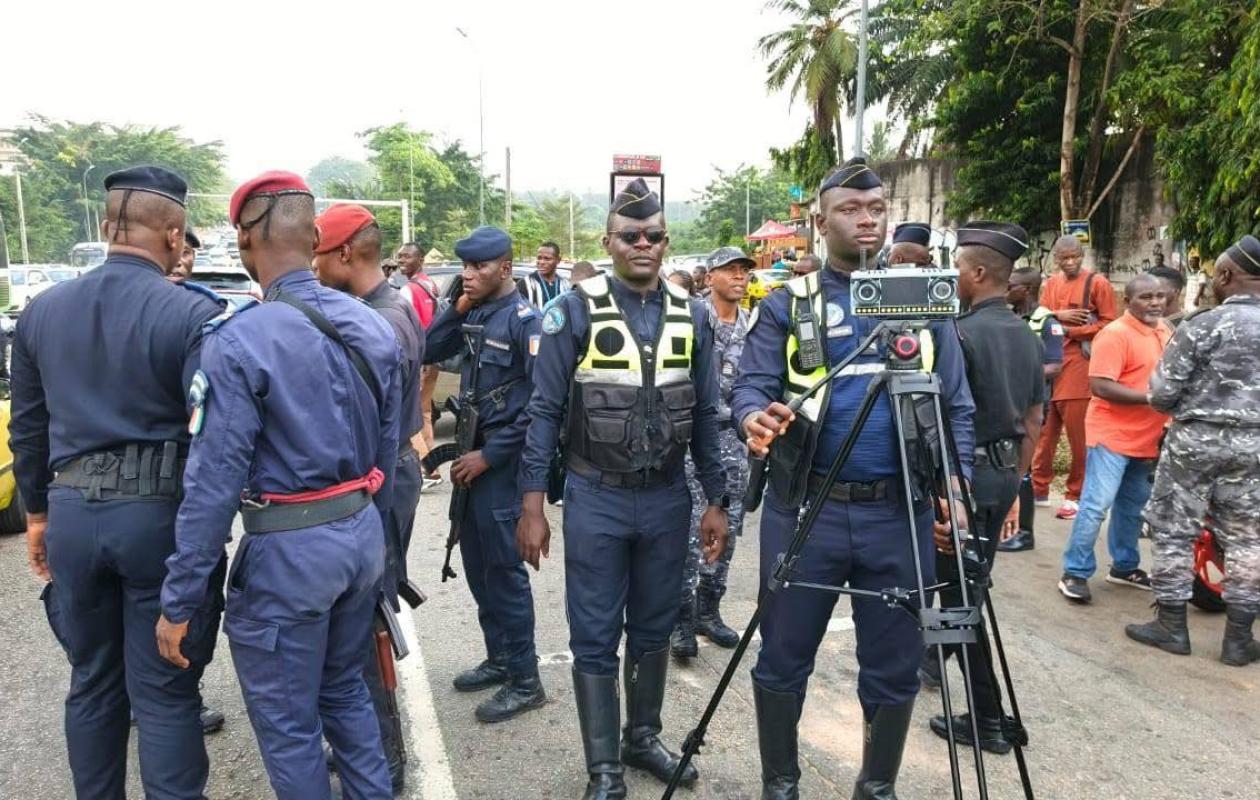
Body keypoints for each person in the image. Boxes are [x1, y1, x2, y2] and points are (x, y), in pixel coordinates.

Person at [731, 158, 975, 799]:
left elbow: (957, 408)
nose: (865, 220)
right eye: (849, 209)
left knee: (893, 666)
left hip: (900, 513)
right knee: (782, 653)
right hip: (806, 511)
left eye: (875, 209)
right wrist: (754, 416)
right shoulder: (789, 303)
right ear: (820, 221)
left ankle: (876, 787)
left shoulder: (926, 303)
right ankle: (780, 784)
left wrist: (957, 484)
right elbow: (752, 383)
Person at [156, 171, 400, 799]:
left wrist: (180, 599)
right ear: (315, 235)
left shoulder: (238, 340)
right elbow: (387, 448)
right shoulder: (372, 324)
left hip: (290, 554)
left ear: (243, 239)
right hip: (359, 535)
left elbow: (212, 487)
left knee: (290, 725)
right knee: (345, 690)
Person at [10, 165, 226, 799]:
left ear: (107, 228)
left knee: (93, 681)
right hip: (159, 516)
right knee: (163, 691)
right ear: (175, 235)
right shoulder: (193, 314)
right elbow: (213, 435)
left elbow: (29, 427)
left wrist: (39, 518)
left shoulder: (42, 312)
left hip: (73, 512)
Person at [518, 178, 728, 797]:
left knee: (655, 627)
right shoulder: (574, 310)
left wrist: (716, 500)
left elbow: (709, 416)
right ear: (609, 241)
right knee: (594, 634)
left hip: (667, 498)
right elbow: (544, 413)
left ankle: (642, 738)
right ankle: (603, 769)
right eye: (630, 235)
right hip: (596, 497)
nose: (643, 243)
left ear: (666, 242)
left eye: (654, 235)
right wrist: (532, 503)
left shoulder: (693, 316)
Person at [313, 203, 426, 790]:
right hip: (390, 469)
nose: (313, 269)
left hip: (381, 476)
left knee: (366, 625)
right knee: (360, 623)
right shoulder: (384, 308)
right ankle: (374, 747)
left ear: (348, 254)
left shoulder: (381, 319)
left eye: (320, 256)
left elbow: (370, 423)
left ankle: (385, 757)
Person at [920, 222, 1044, 755]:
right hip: (999, 476)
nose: (951, 278)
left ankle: (989, 718)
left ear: (975, 274)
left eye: (956, 269)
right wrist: (1018, 485)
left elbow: (945, 417)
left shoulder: (958, 333)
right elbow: (1035, 419)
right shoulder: (1026, 333)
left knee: (958, 600)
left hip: (960, 480)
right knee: (965, 588)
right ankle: (926, 662)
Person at [424, 226, 546, 721]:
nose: (469, 275)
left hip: (500, 467)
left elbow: (541, 406)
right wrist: (454, 308)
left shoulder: (526, 322)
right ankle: (499, 658)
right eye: (465, 267)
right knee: (478, 566)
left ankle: (526, 678)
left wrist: (490, 456)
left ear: (505, 268)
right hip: (472, 461)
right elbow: (429, 348)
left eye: (479, 267)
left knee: (504, 573)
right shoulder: (473, 311)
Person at [1126, 235, 1260, 667]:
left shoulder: (1201, 325)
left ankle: (1171, 626)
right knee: (1247, 538)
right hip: (1256, 446)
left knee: (1173, 530)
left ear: (1225, 275)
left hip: (1195, 443)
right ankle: (1239, 639)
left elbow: (1162, 395)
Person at [1056, 274, 1170, 603]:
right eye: (1146, 297)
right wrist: (1151, 399)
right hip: (1112, 434)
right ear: (1128, 302)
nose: (1155, 303)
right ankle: (1074, 572)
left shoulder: (1164, 330)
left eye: (1159, 296)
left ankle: (1124, 567)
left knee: (1132, 507)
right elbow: (1101, 386)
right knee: (1095, 506)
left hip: (1147, 437)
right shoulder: (1115, 334)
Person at [671, 246, 754, 659]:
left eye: (744, 272)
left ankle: (709, 610)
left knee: (730, 530)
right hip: (695, 440)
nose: (739, 278)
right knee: (689, 533)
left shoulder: (753, 327)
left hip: (736, 445)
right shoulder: (690, 318)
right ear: (710, 278)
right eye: (731, 271)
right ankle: (681, 621)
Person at [1030, 235, 1118, 520]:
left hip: (1079, 365)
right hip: (1050, 363)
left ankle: (1075, 494)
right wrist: (1059, 314)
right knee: (1044, 431)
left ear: (1083, 255)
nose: (1070, 262)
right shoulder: (1051, 284)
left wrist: (1071, 331)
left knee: (1078, 436)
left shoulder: (1098, 283)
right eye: (1064, 258)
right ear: (1055, 258)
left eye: (1075, 257)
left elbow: (1109, 323)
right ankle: (1038, 488)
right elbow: (1040, 317)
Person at [999, 267, 1064, 552]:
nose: (1005, 289)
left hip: (1032, 404)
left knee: (1023, 467)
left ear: (1026, 289)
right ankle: (1007, 526)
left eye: (1010, 286)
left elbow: (1054, 365)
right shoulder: (1012, 317)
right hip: (1010, 399)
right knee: (1008, 463)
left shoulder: (1047, 321)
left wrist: (1015, 372)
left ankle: (1025, 533)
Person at [397, 241, 444, 490]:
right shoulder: (430, 284)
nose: (401, 260)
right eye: (400, 256)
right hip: (432, 359)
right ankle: (433, 468)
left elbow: (406, 330)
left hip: (416, 362)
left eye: (407, 257)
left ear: (420, 259)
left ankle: (426, 470)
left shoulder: (408, 291)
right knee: (424, 415)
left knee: (412, 416)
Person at [519, 240, 571, 308]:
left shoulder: (565, 284)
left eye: (547, 259)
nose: (541, 262)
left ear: (558, 260)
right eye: (539, 258)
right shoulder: (524, 284)